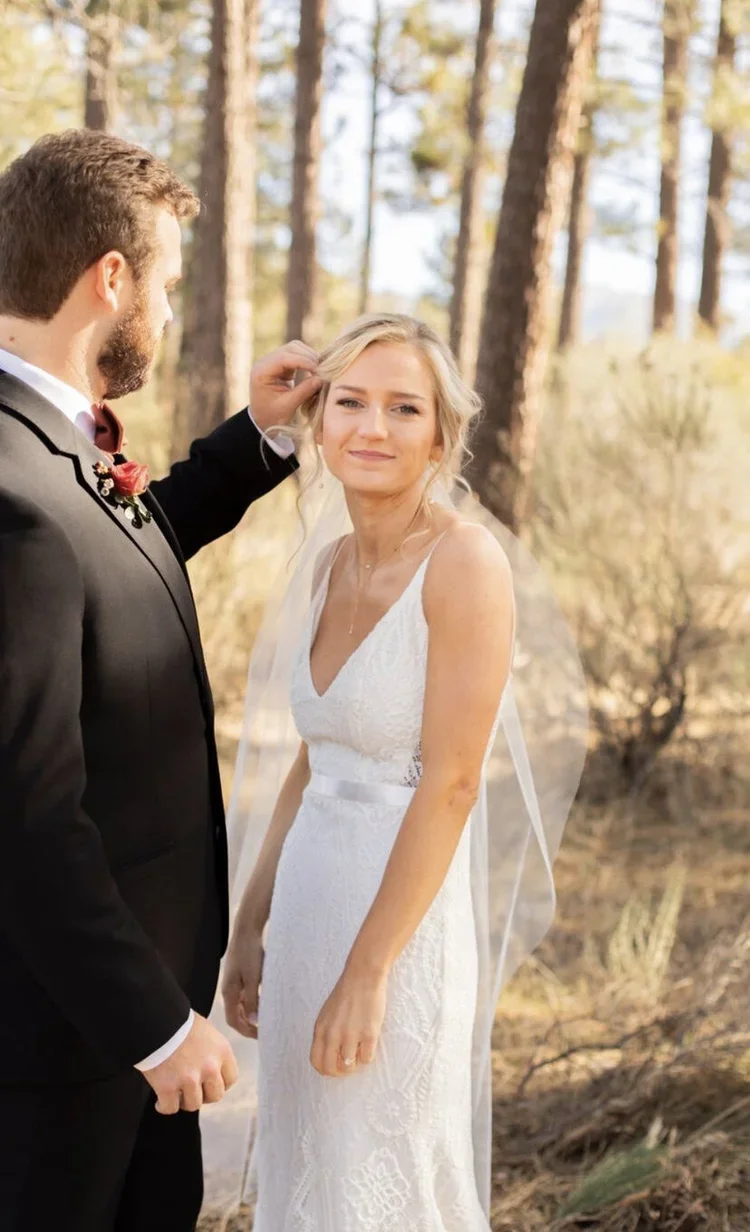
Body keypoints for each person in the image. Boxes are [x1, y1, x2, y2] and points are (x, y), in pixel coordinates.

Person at [0, 128, 317, 1232]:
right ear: (113, 278)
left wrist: (254, 445)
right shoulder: (11, 491)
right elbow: (25, 816)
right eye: (170, 284)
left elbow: (114, 562)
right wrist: (151, 1024)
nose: (172, 314)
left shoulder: (45, 445)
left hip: (124, 1026)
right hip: (66, 1046)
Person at [221, 314, 543, 1229]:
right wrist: (251, 925)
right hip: (308, 910)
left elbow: (452, 783)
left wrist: (369, 972)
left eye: (404, 409)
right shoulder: (326, 566)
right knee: (308, 1165)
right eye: (351, 403)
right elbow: (311, 759)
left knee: (383, 1172)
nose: (372, 428)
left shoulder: (465, 563)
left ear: (440, 437)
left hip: (397, 929)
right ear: (317, 424)